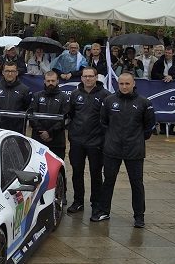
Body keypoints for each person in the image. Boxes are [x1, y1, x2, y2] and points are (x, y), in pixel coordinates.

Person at [98, 72, 155, 227]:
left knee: (136, 183)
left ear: (133, 84)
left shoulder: (144, 102)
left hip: (134, 150)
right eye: (121, 83)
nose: (124, 86)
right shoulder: (109, 101)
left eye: (127, 84)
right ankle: (104, 211)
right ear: (118, 84)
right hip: (112, 149)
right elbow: (103, 123)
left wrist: (136, 139)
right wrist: (112, 137)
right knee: (108, 181)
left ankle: (139, 216)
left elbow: (149, 127)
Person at [66, 66, 109, 214]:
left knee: (95, 173)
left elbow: (108, 120)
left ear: (96, 77)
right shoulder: (75, 94)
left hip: (96, 142)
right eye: (85, 76)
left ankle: (96, 203)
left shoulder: (105, 95)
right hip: (77, 141)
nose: (88, 79)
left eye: (91, 76)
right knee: (77, 172)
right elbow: (70, 115)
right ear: (81, 78)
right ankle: (78, 201)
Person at [30, 70, 67, 163]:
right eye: (48, 81)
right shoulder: (37, 96)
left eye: (53, 81)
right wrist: (42, 132)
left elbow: (65, 118)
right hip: (38, 140)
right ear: (44, 81)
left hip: (57, 141)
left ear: (57, 81)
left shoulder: (64, 97)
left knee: (57, 168)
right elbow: (32, 116)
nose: (50, 83)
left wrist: (50, 133)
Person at [0, 60, 32, 133]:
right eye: (7, 71)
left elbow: (27, 108)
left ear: (17, 73)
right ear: (3, 72)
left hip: (17, 129)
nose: (10, 74)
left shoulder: (25, 90)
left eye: (12, 71)